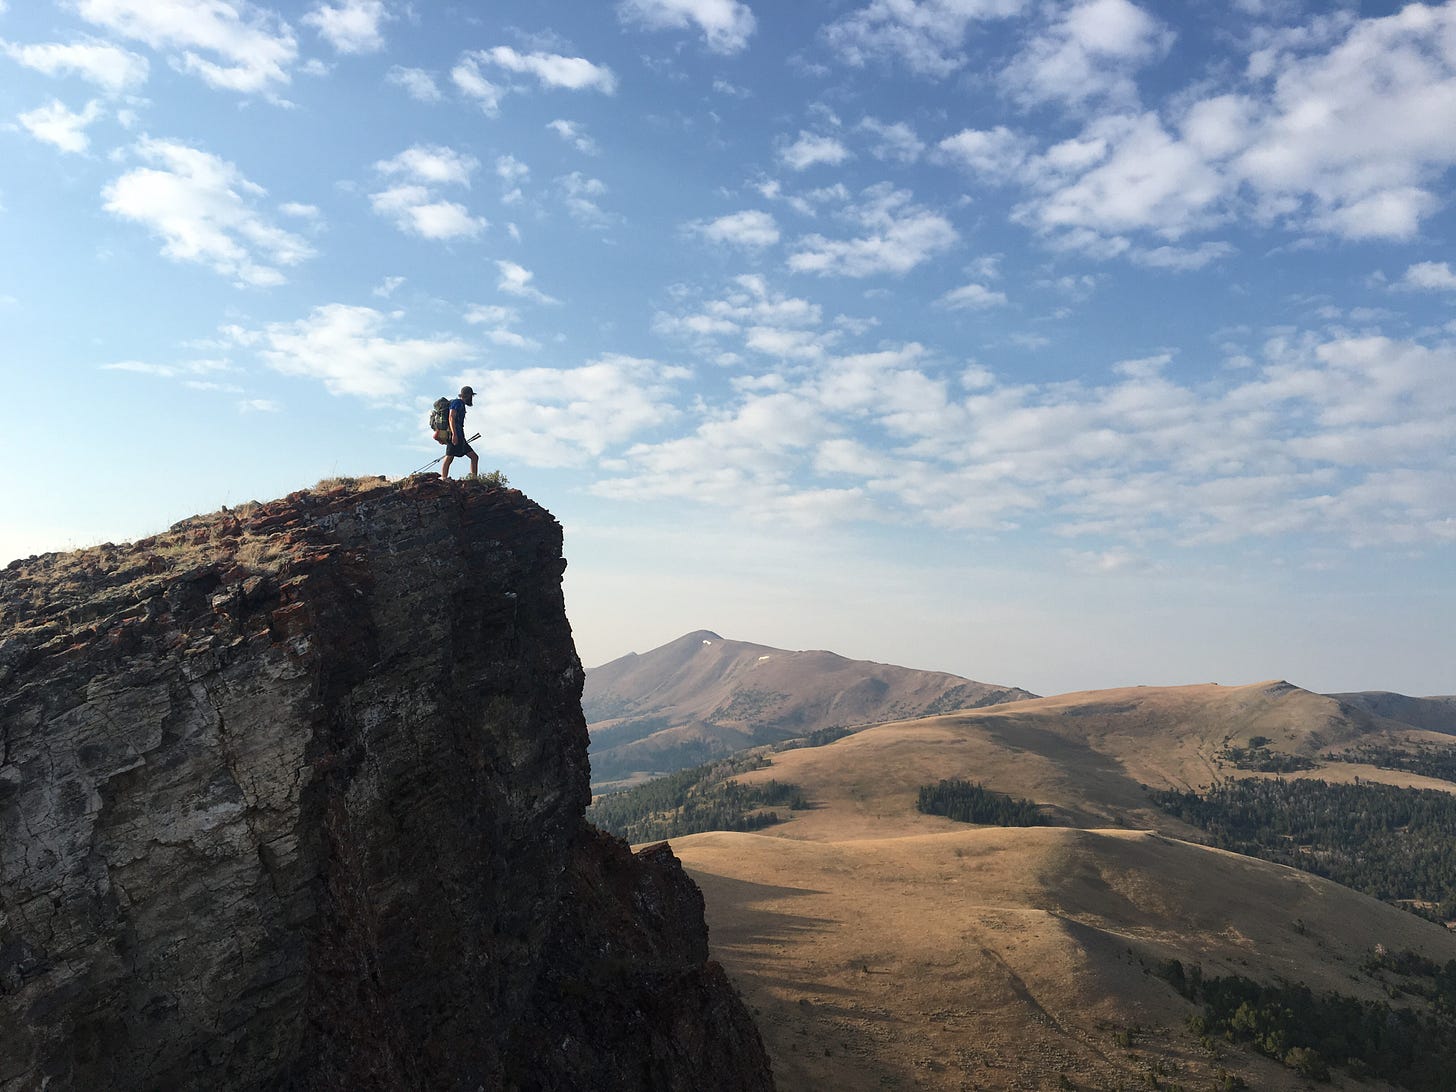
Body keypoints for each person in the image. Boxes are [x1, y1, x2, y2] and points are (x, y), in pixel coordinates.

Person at [440, 385, 479, 479]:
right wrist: (454, 434)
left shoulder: (461, 404)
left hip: (460, 435)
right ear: (467, 395)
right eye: (471, 396)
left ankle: (473, 479)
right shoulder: (457, 402)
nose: (471, 398)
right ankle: (443, 478)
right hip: (454, 434)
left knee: (474, 457)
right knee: (449, 456)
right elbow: (451, 417)